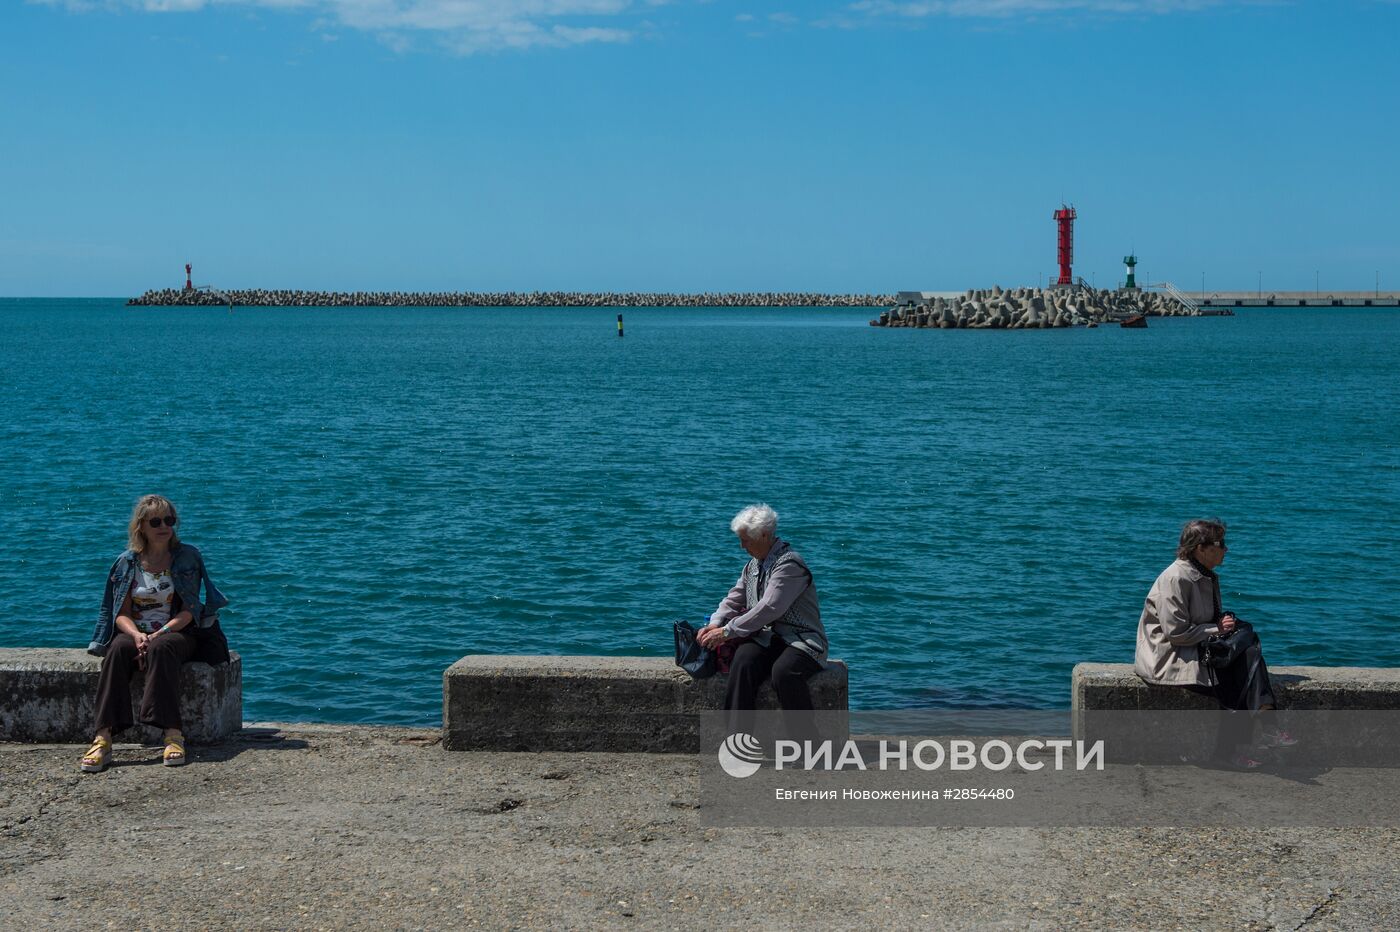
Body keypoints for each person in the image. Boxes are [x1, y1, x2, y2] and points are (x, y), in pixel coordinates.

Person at [80, 495, 230, 773]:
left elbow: (189, 612)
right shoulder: (127, 563)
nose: (164, 526)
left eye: (169, 520)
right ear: (142, 527)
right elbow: (120, 614)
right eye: (156, 521)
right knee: (117, 650)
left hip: (178, 631)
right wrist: (138, 636)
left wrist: (158, 633)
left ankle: (172, 734)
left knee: (163, 649)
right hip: (137, 631)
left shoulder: (187, 558)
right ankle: (103, 737)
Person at [1134, 518, 1293, 768]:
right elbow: (1176, 633)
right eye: (1221, 544)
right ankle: (1257, 732)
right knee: (1240, 673)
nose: (1226, 549)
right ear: (1200, 548)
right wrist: (1216, 629)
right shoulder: (1175, 578)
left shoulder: (1205, 575)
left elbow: (1201, 620)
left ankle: (1235, 749)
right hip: (1170, 656)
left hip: (1194, 647)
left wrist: (1221, 622)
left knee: (1247, 652)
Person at [698, 505, 828, 735]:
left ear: (765, 536)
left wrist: (728, 632)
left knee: (785, 673)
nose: (742, 546)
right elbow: (734, 597)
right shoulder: (753, 566)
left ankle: (808, 745)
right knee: (743, 661)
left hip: (802, 641)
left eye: (746, 540)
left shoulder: (789, 565)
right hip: (768, 639)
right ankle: (738, 741)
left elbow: (769, 608)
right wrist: (715, 623)